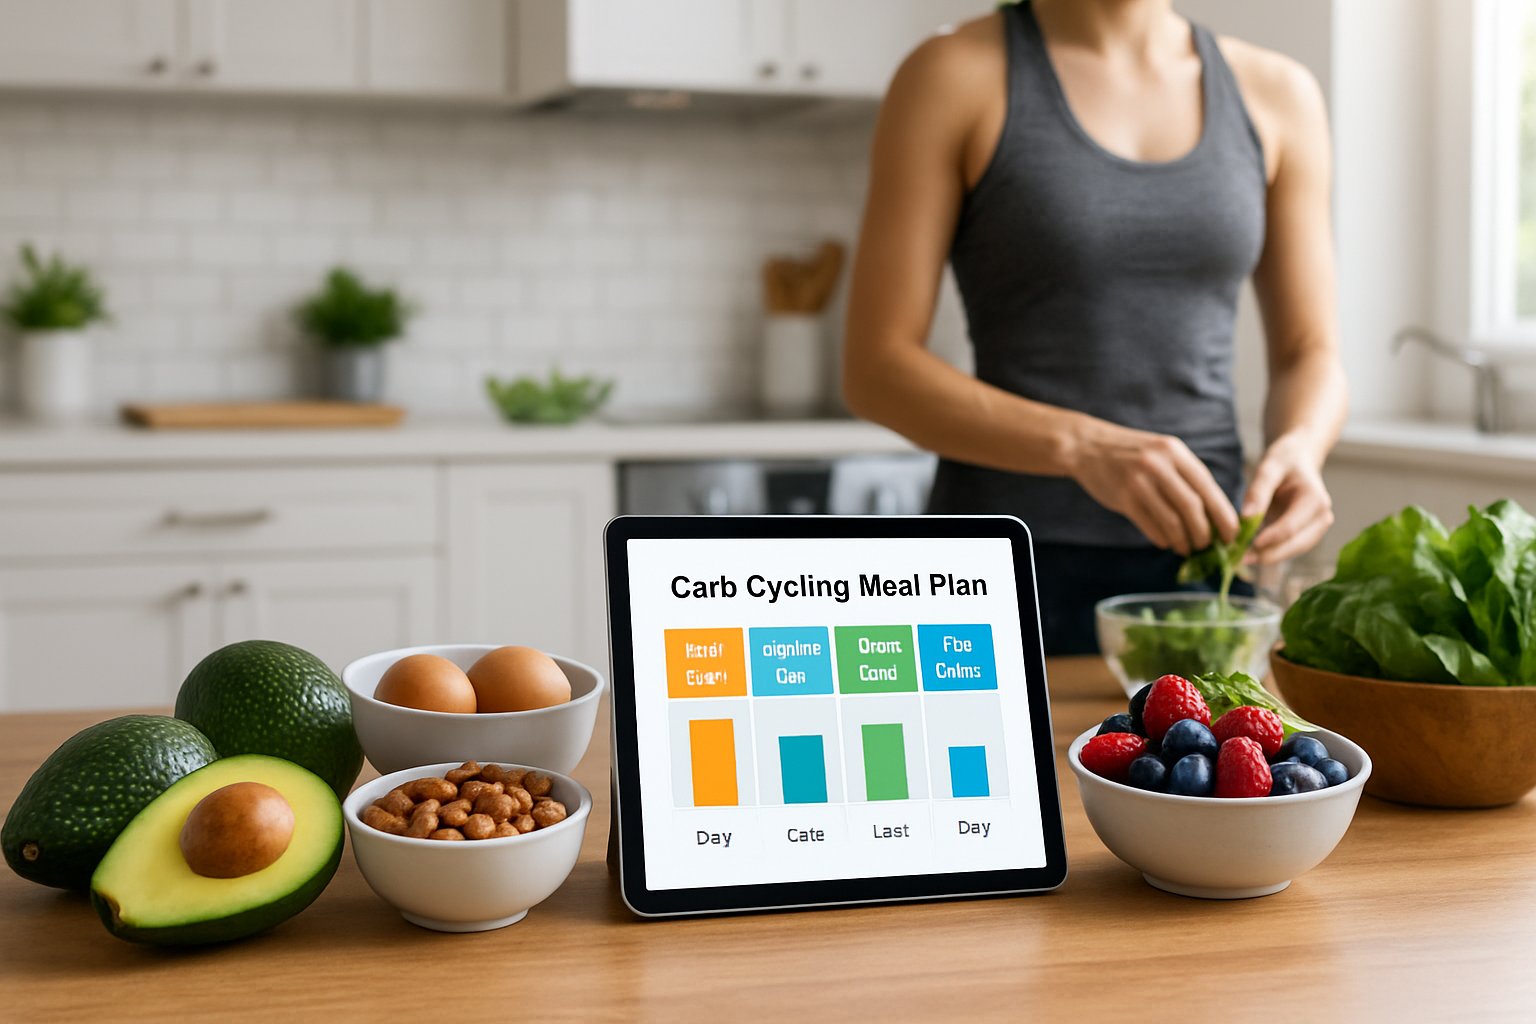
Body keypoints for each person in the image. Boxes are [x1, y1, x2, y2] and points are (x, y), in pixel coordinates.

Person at [842, 0, 1346, 653]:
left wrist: (1302, 447)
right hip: (1004, 565)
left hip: (1206, 570)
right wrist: (1084, 448)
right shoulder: (952, 74)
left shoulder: (1278, 93)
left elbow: (1312, 351)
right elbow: (875, 369)